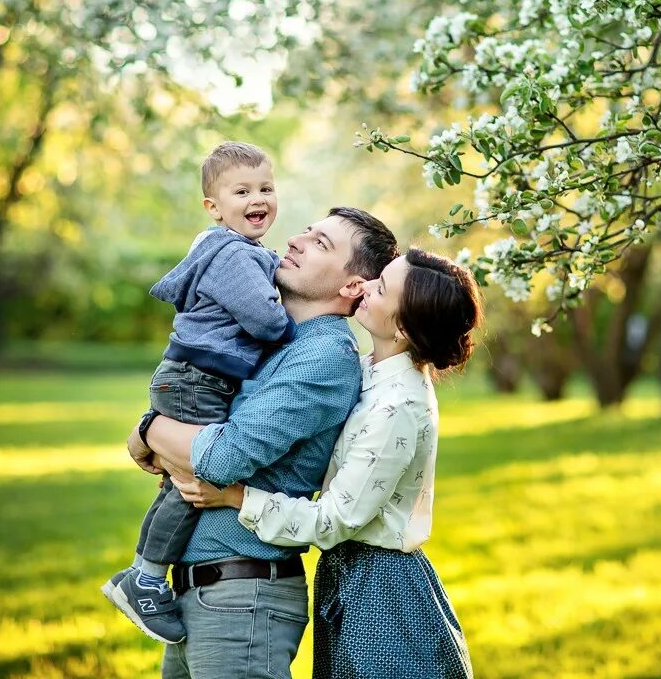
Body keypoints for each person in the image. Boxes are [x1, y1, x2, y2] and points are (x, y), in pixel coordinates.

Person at [175, 248, 482, 679]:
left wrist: (236, 496)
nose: (368, 286)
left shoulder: (398, 406)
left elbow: (334, 520)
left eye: (382, 287)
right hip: (350, 576)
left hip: (381, 588)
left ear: (403, 327)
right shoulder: (367, 372)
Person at [126, 207, 399, 679]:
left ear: (352, 286)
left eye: (321, 244)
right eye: (308, 231)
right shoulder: (276, 339)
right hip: (202, 594)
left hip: (243, 598)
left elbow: (224, 457)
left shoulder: (324, 357)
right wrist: (159, 431)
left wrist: (149, 430)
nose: (295, 240)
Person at [103, 140, 297, 644]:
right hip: (198, 380)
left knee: (180, 482)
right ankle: (144, 578)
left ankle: (142, 575)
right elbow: (267, 321)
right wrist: (290, 316)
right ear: (214, 206)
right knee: (194, 482)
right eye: (242, 191)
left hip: (191, 377)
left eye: (266, 188)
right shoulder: (232, 255)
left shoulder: (238, 250)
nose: (259, 198)